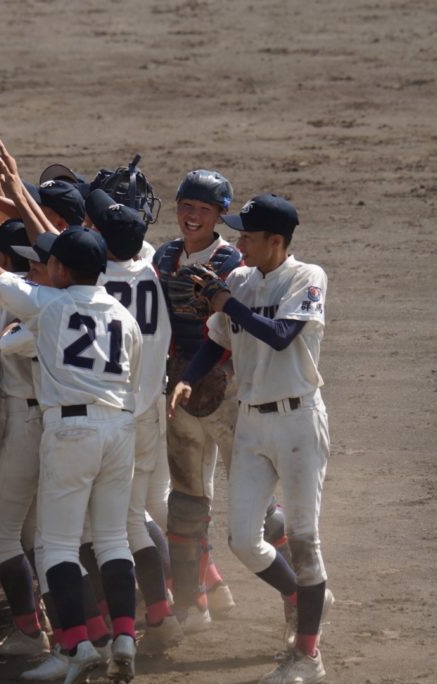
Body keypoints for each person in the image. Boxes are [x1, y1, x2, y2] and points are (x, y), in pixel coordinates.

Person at [0, 143, 143, 684]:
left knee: (56, 545)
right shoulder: (123, 315)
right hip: (120, 427)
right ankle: (125, 636)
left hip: (72, 430)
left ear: (60, 268)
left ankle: (76, 646)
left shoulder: (51, 304)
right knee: (112, 539)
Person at [170, 193, 333, 684]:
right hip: (251, 422)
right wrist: (189, 378)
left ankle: (307, 657)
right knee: (243, 539)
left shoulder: (307, 277)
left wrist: (225, 301)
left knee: (303, 539)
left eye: (248, 236)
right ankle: (306, 597)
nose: (238, 243)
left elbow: (281, 334)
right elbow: (218, 340)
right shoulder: (241, 280)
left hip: (298, 421)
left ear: (276, 241)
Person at [88, 189, 183, 654]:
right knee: (135, 518)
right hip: (149, 413)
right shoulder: (152, 270)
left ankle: (119, 617)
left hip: (112, 416)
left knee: (106, 526)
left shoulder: (93, 279)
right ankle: (165, 609)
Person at [151, 169, 243, 629]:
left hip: (228, 390)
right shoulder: (164, 256)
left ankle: (301, 595)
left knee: (253, 501)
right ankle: (196, 603)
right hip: (181, 388)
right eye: (186, 206)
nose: (192, 216)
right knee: (186, 502)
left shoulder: (234, 263)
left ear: (220, 215)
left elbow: (232, 333)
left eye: (204, 210)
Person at [0, 220, 53, 657]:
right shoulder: (57, 297)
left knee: (3, 531)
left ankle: (29, 632)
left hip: (23, 422)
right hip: (49, 420)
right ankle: (52, 623)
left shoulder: (15, 301)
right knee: (34, 533)